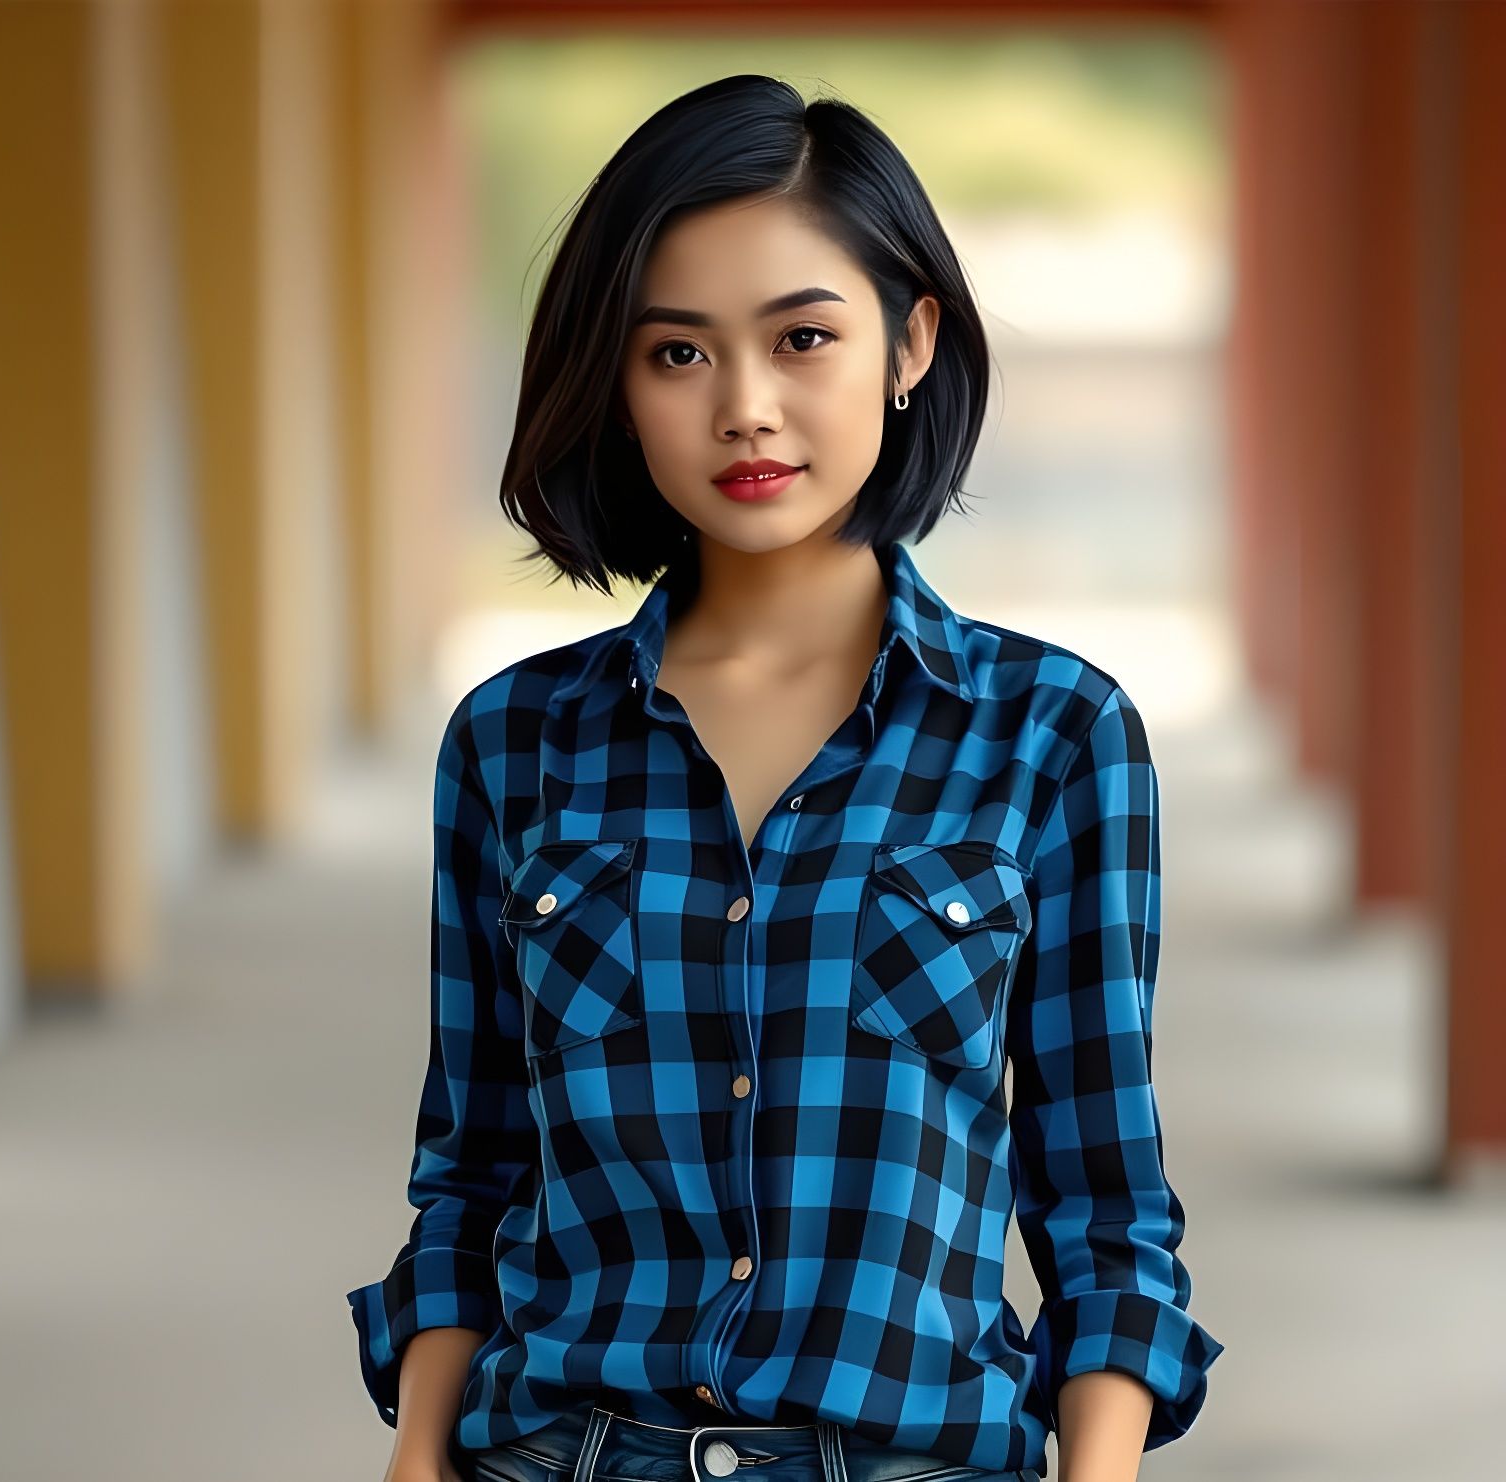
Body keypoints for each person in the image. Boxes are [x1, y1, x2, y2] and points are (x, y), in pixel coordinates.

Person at [346, 73, 1224, 1482]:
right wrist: (416, 1455)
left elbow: (1108, 1211)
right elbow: (471, 1175)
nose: (745, 408)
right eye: (677, 355)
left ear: (910, 341)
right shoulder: (516, 740)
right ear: (618, 383)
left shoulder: (1054, 732)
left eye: (801, 337)